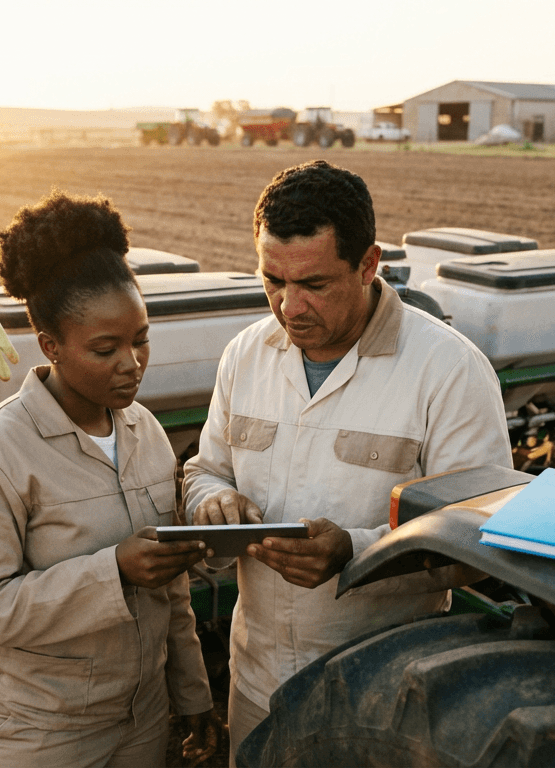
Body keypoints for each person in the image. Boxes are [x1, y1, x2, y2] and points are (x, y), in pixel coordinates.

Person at [181, 160, 512, 761]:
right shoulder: (245, 356)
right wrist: (212, 499)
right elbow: (207, 468)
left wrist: (354, 553)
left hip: (382, 700)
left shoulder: (448, 371)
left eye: (314, 284)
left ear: (368, 264)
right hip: (257, 686)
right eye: (272, 281)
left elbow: (478, 540)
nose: (289, 307)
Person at [0, 190, 221, 767]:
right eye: (105, 348)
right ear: (51, 346)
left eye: (140, 339)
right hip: (35, 734)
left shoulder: (146, 432)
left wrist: (191, 694)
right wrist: (112, 571)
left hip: (139, 722)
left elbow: (169, 589)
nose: (132, 363)